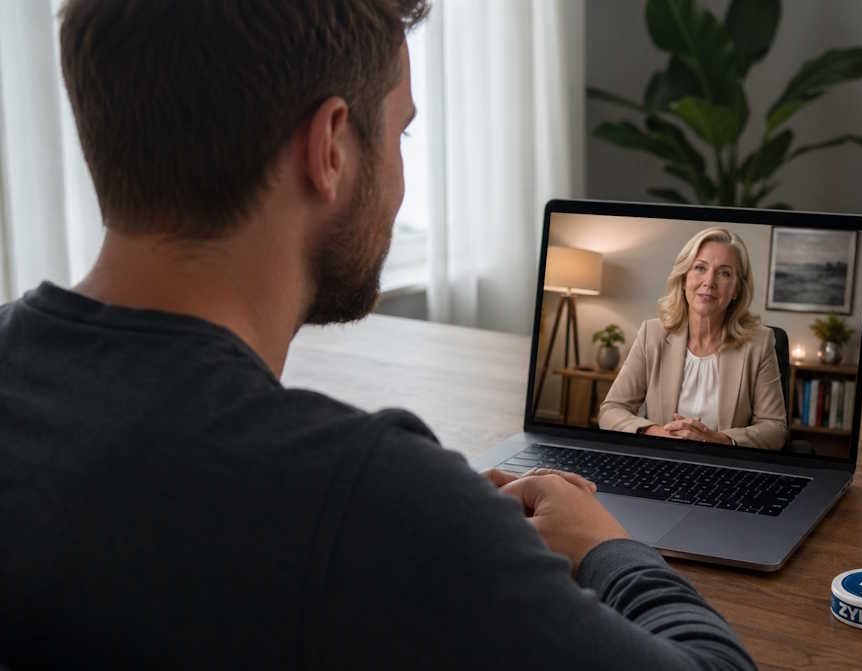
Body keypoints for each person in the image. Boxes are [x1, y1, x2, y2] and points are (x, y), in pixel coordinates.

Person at [0, 2, 755, 669]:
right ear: (330, 146)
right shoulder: (369, 501)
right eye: (401, 132)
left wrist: (443, 527)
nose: (398, 176)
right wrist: (603, 545)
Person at [599, 228, 787, 451]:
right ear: (684, 277)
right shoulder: (653, 333)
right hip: (662, 459)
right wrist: (655, 433)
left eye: (724, 273)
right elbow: (610, 410)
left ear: (737, 288)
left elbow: (775, 429)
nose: (709, 282)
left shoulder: (760, 342)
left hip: (724, 467)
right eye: (700, 268)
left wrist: (719, 440)